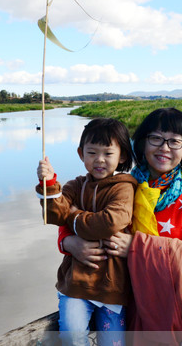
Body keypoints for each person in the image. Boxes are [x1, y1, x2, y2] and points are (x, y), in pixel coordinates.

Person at [59, 108, 182, 345]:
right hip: (134, 309)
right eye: (156, 138)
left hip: (179, 309)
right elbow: (78, 216)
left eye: (174, 141)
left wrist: (137, 247)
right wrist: (68, 242)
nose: (164, 148)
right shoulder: (121, 187)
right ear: (141, 143)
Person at [36, 118, 137, 346]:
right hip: (76, 286)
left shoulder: (124, 186)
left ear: (121, 156)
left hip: (113, 287)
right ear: (81, 154)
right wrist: (50, 182)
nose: (99, 160)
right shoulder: (75, 185)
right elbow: (52, 215)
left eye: (108, 153)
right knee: (72, 338)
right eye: (92, 153)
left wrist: (72, 217)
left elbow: (110, 222)